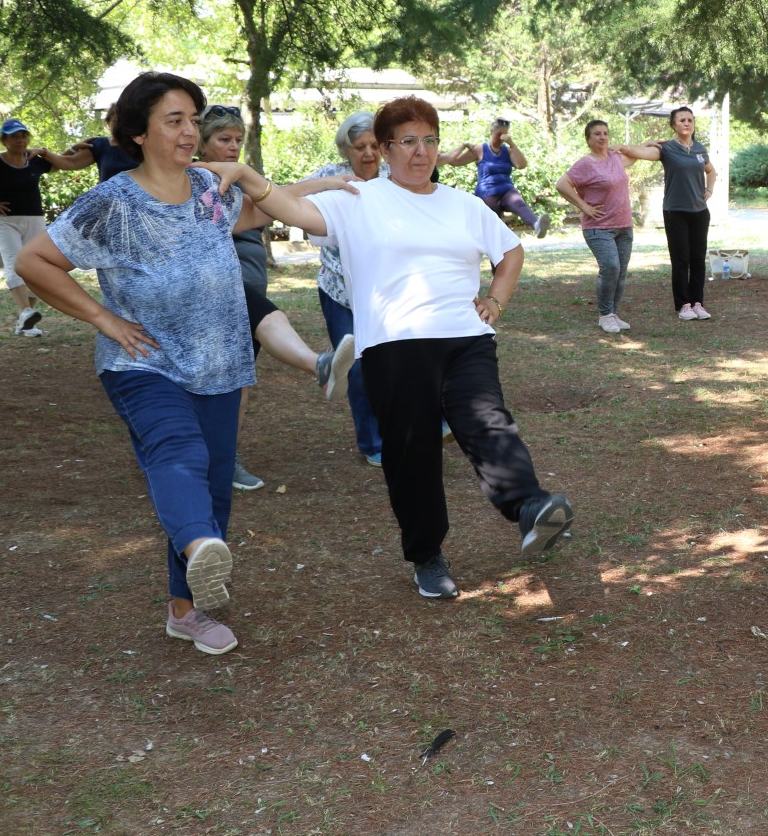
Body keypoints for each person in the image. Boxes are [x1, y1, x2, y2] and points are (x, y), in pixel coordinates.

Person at [11, 72, 351, 655]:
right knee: (178, 454)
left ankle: (184, 608)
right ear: (138, 132)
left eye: (194, 119)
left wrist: (257, 175)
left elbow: (267, 210)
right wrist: (103, 319)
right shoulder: (112, 202)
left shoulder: (207, 190)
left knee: (214, 485)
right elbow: (34, 261)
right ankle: (200, 546)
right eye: (175, 121)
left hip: (220, 362)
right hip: (142, 362)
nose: (190, 131)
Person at [205, 95, 575, 600]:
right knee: (410, 452)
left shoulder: (463, 204)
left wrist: (495, 300)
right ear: (384, 149)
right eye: (407, 142)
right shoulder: (357, 198)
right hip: (394, 344)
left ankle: (531, 507)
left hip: (465, 338)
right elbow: (285, 208)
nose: (420, 152)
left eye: (429, 140)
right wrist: (248, 175)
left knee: (487, 421)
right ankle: (427, 555)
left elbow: (510, 251)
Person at [196, 104, 355, 490]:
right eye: (223, 139)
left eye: (237, 140)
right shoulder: (199, 181)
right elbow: (264, 207)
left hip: (245, 292)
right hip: (212, 295)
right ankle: (318, 365)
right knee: (203, 382)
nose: (233, 147)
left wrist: (327, 185)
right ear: (202, 143)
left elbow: (279, 197)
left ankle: (226, 460)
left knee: (239, 381)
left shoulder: (241, 181)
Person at [0, 119, 90, 337]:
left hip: (35, 220)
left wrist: (77, 146)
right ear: (4, 140)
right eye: (14, 136)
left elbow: (59, 162)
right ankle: (25, 311)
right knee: (14, 262)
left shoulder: (33, 160)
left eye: (23, 136)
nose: (20, 140)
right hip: (6, 221)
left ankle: (26, 321)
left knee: (35, 266)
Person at [307, 112, 389, 465]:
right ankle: (372, 444)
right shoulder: (327, 177)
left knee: (394, 362)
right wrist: (328, 188)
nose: (369, 153)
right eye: (360, 147)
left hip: (385, 289)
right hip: (339, 290)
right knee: (354, 365)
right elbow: (288, 200)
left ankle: (410, 430)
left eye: (374, 145)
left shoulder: (395, 178)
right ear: (346, 149)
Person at [621, 106, 717, 320]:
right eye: (681, 120)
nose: (686, 123)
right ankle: (683, 305)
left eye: (690, 120)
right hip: (676, 212)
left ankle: (698, 303)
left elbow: (711, 171)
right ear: (673, 125)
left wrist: (709, 189)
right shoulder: (667, 148)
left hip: (700, 212)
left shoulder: (700, 149)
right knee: (681, 259)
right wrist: (622, 146)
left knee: (698, 259)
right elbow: (640, 153)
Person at [555, 118, 645, 334]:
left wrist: (637, 145)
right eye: (597, 134)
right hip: (599, 227)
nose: (602, 137)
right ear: (588, 139)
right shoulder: (586, 164)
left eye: (605, 133)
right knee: (611, 267)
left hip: (624, 225)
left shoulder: (615, 158)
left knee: (620, 271)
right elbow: (562, 184)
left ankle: (613, 313)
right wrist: (583, 206)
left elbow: (638, 154)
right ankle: (605, 315)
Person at [438, 117, 550, 237]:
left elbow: (521, 165)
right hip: (487, 193)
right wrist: (463, 146)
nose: (502, 138)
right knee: (494, 229)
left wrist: (512, 143)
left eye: (505, 135)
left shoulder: (508, 150)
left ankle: (536, 225)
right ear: (492, 132)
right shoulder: (480, 149)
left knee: (518, 203)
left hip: (507, 190)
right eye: (499, 134)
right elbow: (455, 162)